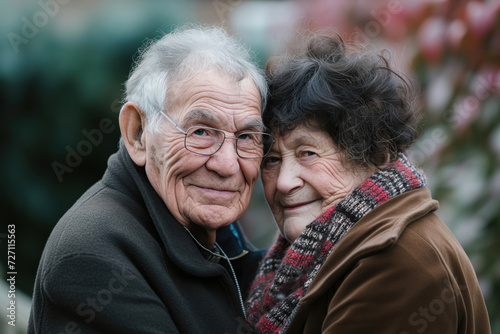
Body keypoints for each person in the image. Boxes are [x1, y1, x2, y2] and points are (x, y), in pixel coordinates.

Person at [28, 25, 273, 333]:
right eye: (200, 132)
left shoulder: (218, 237)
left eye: (247, 137)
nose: (227, 164)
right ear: (137, 133)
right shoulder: (93, 254)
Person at [245, 34, 491, 333]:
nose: (284, 182)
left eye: (307, 153)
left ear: (376, 154)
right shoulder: (323, 251)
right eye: (272, 159)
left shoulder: (393, 261)